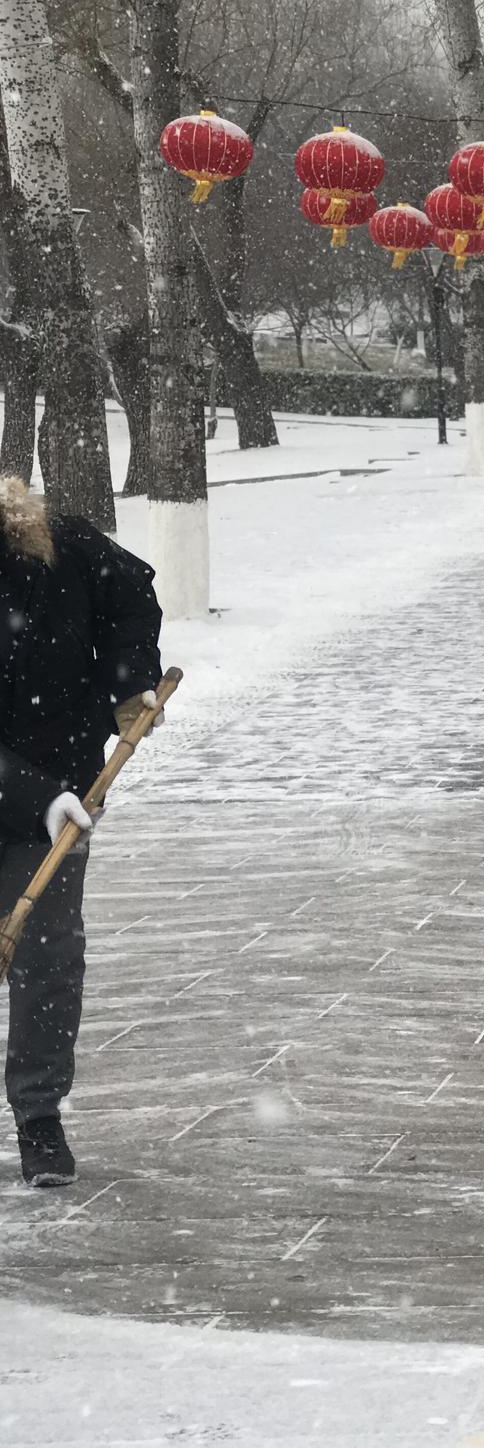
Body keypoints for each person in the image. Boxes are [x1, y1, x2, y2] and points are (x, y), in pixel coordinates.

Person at [0, 476, 163, 1187]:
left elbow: (132, 594)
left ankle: (39, 1117)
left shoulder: (62, 542)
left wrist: (130, 682)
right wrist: (33, 795)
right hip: (43, 792)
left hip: (62, 783)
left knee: (49, 958)